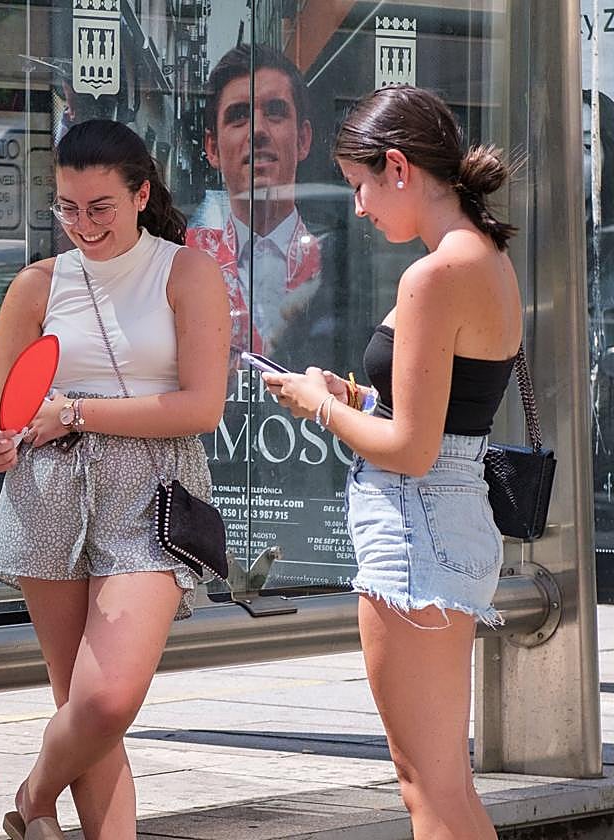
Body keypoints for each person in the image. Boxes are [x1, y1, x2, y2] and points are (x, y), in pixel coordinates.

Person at [263, 86, 520, 839]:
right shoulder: (483, 254)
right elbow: (442, 415)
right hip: (449, 517)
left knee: (427, 792)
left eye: (360, 186)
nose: (361, 208)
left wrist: (320, 406)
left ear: (399, 167)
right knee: (448, 788)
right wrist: (346, 393)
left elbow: (412, 448)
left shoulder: (433, 274)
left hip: (416, 526)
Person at [0, 120, 230, 840]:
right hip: (49, 490)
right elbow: (2, 410)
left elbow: (200, 407)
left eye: (100, 207)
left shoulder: (186, 272)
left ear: (140, 193)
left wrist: (77, 411)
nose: (82, 225)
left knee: (107, 699)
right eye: (67, 207)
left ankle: (29, 800)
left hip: (151, 492)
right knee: (79, 702)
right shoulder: (36, 285)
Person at [187, 44, 329, 358]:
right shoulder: (183, 259)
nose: (257, 131)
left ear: (303, 139)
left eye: (275, 112)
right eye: (238, 117)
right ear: (212, 148)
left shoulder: (336, 263)